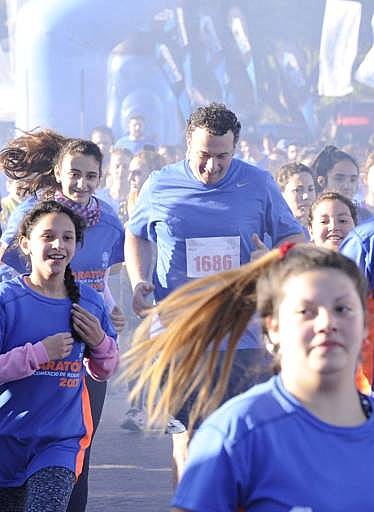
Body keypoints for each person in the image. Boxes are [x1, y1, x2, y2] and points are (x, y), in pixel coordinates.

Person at [125, 102, 305, 480]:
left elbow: (294, 238)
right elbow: (136, 234)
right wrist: (139, 280)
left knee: (244, 441)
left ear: (235, 148)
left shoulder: (257, 183)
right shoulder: (160, 183)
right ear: (188, 146)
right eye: (204, 156)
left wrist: (271, 258)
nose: (212, 167)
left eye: (222, 156)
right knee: (188, 440)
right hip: (182, 334)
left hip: (246, 335)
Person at [124, 244, 374, 511]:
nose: (327, 322)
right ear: (273, 328)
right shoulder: (236, 431)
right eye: (306, 311)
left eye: (342, 309)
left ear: (365, 325)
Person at [0, 130, 125, 512]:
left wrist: (103, 337)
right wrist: (38, 353)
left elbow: (106, 365)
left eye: (67, 238)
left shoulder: (88, 298)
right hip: (10, 434)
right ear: (27, 243)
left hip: (59, 437)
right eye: (48, 237)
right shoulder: (9, 301)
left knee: (72, 461)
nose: (58, 245)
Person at [311, 145, 371, 224]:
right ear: (321, 181)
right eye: (339, 179)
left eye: (352, 180)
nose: (347, 186)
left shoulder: (366, 219)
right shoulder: (308, 216)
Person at [276, 162, 316, 236]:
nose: (306, 196)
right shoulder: (273, 233)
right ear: (281, 194)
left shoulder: (323, 229)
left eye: (310, 189)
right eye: (298, 190)